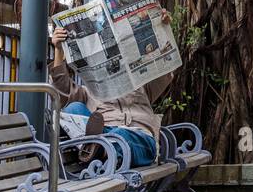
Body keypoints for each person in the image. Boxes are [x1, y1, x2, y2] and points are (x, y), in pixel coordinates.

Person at [49, 13, 174, 168]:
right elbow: (62, 89)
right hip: (105, 135)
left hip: (139, 137)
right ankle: (100, 145)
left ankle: (99, 143)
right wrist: (59, 49)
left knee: (119, 135)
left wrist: (163, 29)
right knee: (73, 108)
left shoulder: (142, 85)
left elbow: (166, 67)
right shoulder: (89, 91)